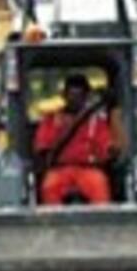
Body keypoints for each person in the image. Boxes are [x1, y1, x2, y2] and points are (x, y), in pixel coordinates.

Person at [32, 73, 113, 205]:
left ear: (86, 96)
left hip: (88, 170)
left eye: (80, 95)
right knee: (49, 186)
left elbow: (105, 149)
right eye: (71, 94)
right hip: (59, 170)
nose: (75, 99)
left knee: (99, 184)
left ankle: (101, 223)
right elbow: (42, 148)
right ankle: (51, 224)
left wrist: (110, 150)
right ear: (64, 95)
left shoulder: (97, 122)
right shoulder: (51, 120)